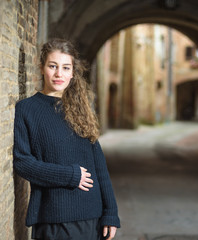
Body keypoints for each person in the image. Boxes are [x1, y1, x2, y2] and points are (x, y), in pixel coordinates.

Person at [13, 38, 120, 240]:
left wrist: (111, 213)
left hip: (91, 217)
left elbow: (99, 168)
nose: (59, 74)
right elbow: (23, 163)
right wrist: (69, 175)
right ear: (42, 67)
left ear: (72, 72)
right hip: (53, 218)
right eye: (52, 66)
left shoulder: (82, 109)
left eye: (65, 67)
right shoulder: (27, 109)